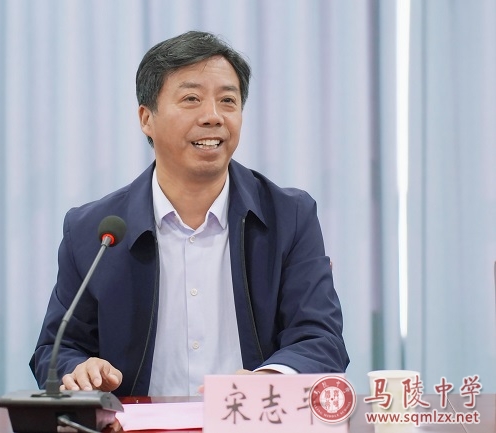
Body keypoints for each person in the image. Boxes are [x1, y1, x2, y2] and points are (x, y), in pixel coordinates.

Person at [30, 30, 349, 398]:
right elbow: (57, 350)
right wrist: (80, 370)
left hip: (250, 419)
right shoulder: (95, 231)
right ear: (146, 118)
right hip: (134, 422)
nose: (213, 116)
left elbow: (321, 339)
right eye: (191, 99)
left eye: (227, 101)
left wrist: (267, 381)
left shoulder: (289, 217)